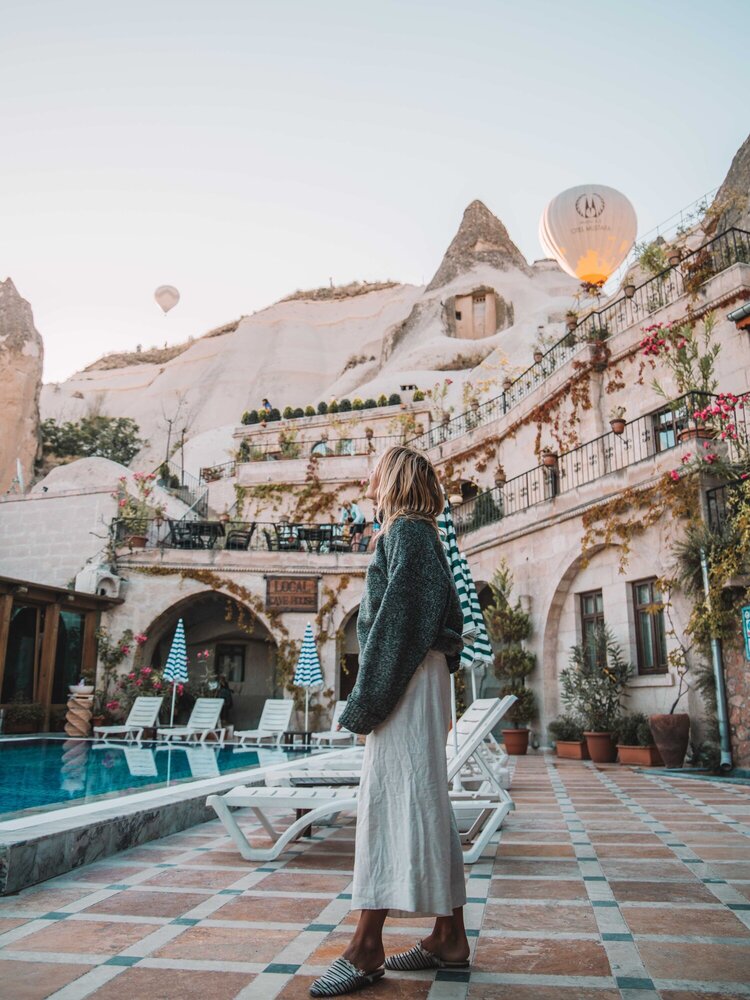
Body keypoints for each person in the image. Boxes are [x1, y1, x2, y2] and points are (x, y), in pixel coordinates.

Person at [309, 446, 468, 998]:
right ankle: (449, 935)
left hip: (408, 680)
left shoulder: (409, 533)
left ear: (394, 478)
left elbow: (396, 628)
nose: (366, 477)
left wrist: (365, 703)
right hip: (418, 678)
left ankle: (366, 946)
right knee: (423, 798)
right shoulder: (413, 535)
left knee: (387, 799)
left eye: (374, 468)